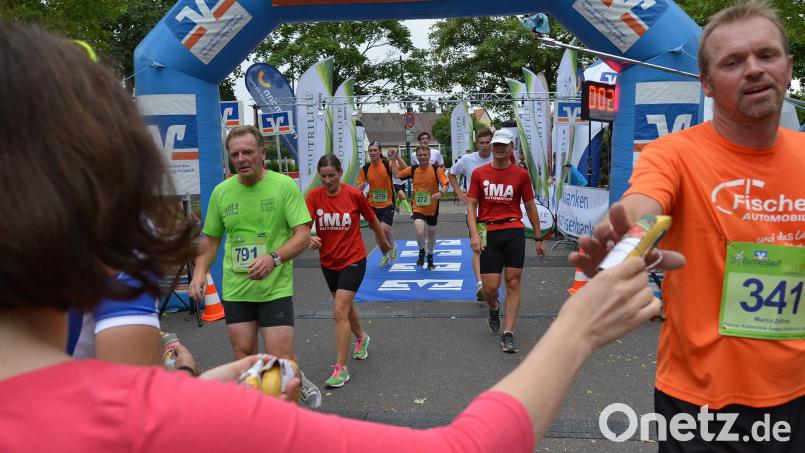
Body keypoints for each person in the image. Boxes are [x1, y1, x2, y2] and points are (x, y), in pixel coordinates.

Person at [0, 22, 666, 452]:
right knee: (303, 332)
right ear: (101, 190)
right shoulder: (139, 417)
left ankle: (353, 348)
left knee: (322, 323)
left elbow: (331, 224)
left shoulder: (150, 411)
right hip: (274, 298)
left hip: (331, 268)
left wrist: (195, 399)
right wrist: (577, 323)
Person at [570, 1, 804, 450]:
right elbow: (644, 203)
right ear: (708, 84)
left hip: (798, 393)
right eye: (733, 62)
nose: (754, 70)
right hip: (699, 403)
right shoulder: (672, 154)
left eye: (766, 55)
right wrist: (625, 235)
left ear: (788, 68)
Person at [188, 125, 321, 408]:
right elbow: (211, 239)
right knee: (246, 358)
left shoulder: (283, 186)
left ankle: (291, 418)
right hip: (237, 288)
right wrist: (199, 273)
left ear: (262, 154)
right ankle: (261, 418)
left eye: (247, 152)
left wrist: (273, 258)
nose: (241, 158)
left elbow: (302, 235)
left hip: (274, 288)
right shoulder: (221, 192)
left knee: (279, 361)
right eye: (235, 154)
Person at [306, 155, 391, 388]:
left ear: (340, 172)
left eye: (331, 175)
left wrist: (383, 245)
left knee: (339, 310)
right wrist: (308, 237)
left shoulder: (354, 195)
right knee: (345, 306)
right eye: (323, 176)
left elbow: (372, 220)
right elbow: (303, 226)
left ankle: (340, 369)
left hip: (353, 258)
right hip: (328, 261)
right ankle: (362, 337)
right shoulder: (314, 196)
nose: (327, 180)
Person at [467, 129, 547, 353]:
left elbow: (530, 206)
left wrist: (538, 238)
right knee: (491, 288)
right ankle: (494, 308)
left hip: (513, 230)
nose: (499, 148)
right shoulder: (479, 174)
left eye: (504, 145)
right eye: (496, 145)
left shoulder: (520, 174)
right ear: (491, 148)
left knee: (513, 282)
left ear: (511, 148)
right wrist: (474, 234)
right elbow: (471, 204)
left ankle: (509, 333)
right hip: (489, 231)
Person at [447, 128, 494, 301]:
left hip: (495, 211)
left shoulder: (498, 157)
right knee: (478, 247)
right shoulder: (467, 160)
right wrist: (459, 192)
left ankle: (490, 280)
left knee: (492, 248)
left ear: (492, 142)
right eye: (481, 143)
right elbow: (451, 173)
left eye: (487, 142)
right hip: (475, 212)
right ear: (477, 144)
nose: (484, 146)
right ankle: (480, 284)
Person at [392, 145, 450, 270]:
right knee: (419, 231)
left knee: (431, 233)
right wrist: (394, 160)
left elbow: (445, 183)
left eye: (425, 155)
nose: (422, 157)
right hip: (418, 206)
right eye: (420, 155)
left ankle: (430, 256)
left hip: (432, 207)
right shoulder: (413, 169)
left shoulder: (436, 169)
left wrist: (440, 193)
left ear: (429, 156)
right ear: (416, 157)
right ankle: (421, 251)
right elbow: (396, 176)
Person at [358, 141, 398, 267]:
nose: (373, 153)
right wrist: (361, 185)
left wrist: (394, 160)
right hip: (372, 204)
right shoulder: (365, 168)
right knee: (377, 232)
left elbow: (397, 175)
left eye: (375, 150)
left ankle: (393, 246)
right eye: (370, 151)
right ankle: (385, 255)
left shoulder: (387, 164)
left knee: (385, 228)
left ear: (380, 152)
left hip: (388, 203)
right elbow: (359, 184)